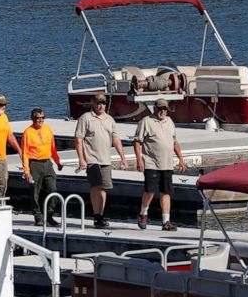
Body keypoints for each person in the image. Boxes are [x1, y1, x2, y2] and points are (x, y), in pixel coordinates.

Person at [74, 93, 128, 229]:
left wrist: (123, 158)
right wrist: (81, 159)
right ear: (93, 103)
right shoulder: (86, 118)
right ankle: (96, 215)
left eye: (103, 103)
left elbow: (116, 139)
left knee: (104, 188)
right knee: (96, 186)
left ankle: (101, 215)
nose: (100, 106)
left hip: (106, 159)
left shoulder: (109, 119)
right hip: (92, 159)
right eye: (98, 103)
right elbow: (78, 139)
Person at [134, 98, 186, 231]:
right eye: (161, 109)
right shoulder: (146, 121)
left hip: (167, 163)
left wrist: (180, 159)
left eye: (165, 109)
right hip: (151, 163)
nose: (163, 112)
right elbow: (137, 142)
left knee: (166, 192)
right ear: (155, 108)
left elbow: (175, 142)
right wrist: (139, 159)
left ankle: (165, 221)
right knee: (150, 191)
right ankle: (143, 214)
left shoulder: (170, 122)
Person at [21, 108, 64, 226]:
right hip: (34, 163)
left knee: (52, 189)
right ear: (32, 118)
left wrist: (58, 162)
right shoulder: (27, 132)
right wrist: (27, 171)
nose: (40, 120)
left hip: (47, 163)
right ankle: (38, 216)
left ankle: (49, 214)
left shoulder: (48, 129)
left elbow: (52, 148)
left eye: (42, 118)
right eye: (37, 118)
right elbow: (24, 153)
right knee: (35, 191)